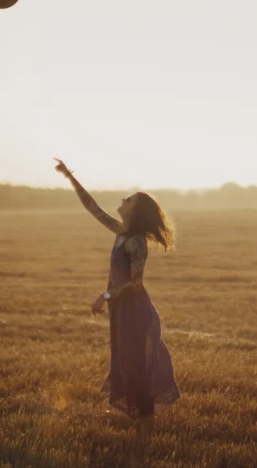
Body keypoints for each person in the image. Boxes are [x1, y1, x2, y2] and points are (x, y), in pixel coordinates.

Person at [54, 158, 180, 445]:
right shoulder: (121, 232)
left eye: (129, 199)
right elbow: (92, 208)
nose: (123, 200)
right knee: (127, 365)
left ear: (135, 210)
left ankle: (145, 435)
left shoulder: (135, 241)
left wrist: (105, 294)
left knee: (137, 368)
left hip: (135, 311)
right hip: (122, 311)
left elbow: (136, 285)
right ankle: (142, 429)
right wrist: (70, 177)